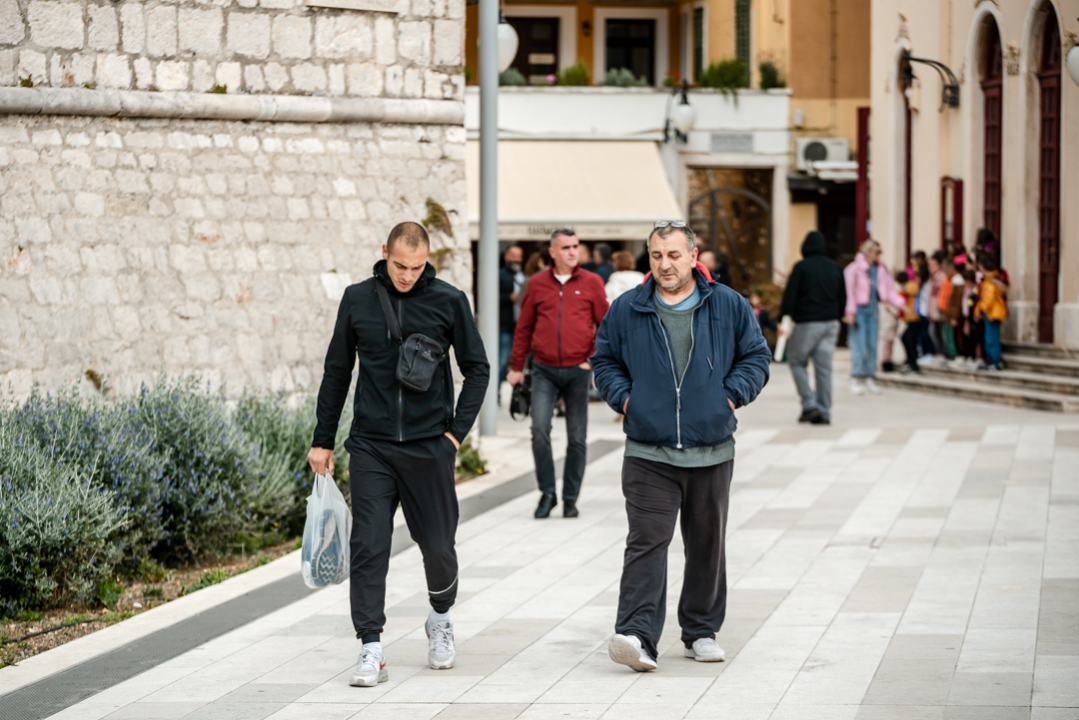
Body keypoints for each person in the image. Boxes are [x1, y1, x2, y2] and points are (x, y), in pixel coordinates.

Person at [308, 222, 490, 687]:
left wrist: (454, 436)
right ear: (384, 252)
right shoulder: (357, 299)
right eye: (399, 265)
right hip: (371, 444)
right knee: (369, 545)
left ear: (428, 259)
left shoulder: (449, 300)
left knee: (438, 547)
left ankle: (440, 618)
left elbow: (478, 369)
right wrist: (322, 439)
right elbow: (336, 372)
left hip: (430, 445)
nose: (408, 275)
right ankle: (371, 646)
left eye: (417, 266)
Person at [592, 220, 771, 673]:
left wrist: (727, 397)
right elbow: (605, 359)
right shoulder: (628, 307)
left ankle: (701, 631)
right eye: (656, 256)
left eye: (673, 255)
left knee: (706, 543)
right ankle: (637, 635)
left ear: (694, 256)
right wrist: (628, 401)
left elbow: (757, 356)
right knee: (646, 543)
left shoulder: (727, 304)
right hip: (648, 451)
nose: (665, 264)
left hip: (711, 447)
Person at [506, 229, 609, 519]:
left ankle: (570, 498)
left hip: (578, 371)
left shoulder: (592, 282)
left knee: (577, 438)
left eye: (575, 246)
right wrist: (515, 367)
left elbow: (606, 325)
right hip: (544, 370)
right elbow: (524, 327)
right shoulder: (536, 284)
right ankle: (548, 494)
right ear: (552, 252)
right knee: (539, 430)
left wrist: (593, 358)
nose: (572, 252)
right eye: (565, 247)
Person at [779, 231, 846, 424]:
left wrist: (784, 318)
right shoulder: (836, 268)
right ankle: (824, 412)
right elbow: (843, 297)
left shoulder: (801, 267)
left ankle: (809, 405)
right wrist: (837, 316)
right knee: (824, 368)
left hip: (808, 322)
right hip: (831, 323)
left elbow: (790, 296)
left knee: (796, 361)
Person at [843, 239, 906, 395]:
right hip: (859, 309)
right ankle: (855, 377)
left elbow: (889, 290)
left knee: (872, 345)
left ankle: (870, 377)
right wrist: (850, 312)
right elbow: (849, 293)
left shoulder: (881, 269)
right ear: (868, 252)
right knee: (859, 345)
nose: (879, 255)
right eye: (877, 251)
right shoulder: (854, 269)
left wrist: (900, 303)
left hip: (873, 309)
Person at [976, 253, 1008, 370]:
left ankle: (995, 361)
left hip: (992, 313)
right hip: (991, 312)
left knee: (991, 338)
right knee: (988, 338)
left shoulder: (991, 281)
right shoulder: (991, 280)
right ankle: (990, 360)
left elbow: (988, 299)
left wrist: (982, 309)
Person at [499, 246, 525, 383]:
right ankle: (494, 394)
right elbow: (490, 300)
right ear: (506, 256)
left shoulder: (522, 276)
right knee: (502, 360)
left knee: (520, 362)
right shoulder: (500, 275)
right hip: (505, 326)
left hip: (521, 326)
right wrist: (510, 297)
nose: (516, 259)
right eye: (513, 256)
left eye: (519, 256)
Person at [898, 270, 922, 373]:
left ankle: (913, 363)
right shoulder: (908, 285)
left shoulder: (910, 285)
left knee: (909, 339)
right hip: (910, 318)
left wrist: (902, 288)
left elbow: (912, 290)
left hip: (914, 318)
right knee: (905, 338)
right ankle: (910, 360)